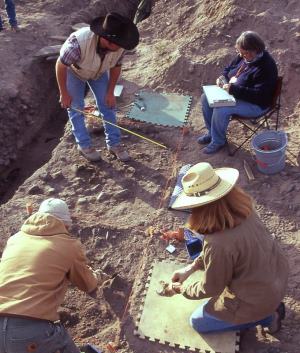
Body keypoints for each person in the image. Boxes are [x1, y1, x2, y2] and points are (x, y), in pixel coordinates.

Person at [168, 162, 288, 334]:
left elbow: (210, 288)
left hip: (258, 298)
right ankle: (269, 308)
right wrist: (191, 268)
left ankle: (267, 317)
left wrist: (181, 289)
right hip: (278, 276)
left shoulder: (217, 243)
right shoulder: (244, 209)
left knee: (197, 322)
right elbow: (224, 253)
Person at [0, 198, 104, 353]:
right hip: (31, 331)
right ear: (65, 224)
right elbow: (87, 284)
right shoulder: (68, 245)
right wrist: (98, 276)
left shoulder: (15, 239)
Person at [56, 13, 139, 162]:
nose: (121, 47)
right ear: (107, 40)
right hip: (74, 71)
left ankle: (114, 144)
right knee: (76, 107)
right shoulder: (78, 44)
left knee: (108, 105)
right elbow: (60, 66)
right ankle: (84, 145)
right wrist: (64, 93)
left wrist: (110, 92)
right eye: (118, 43)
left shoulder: (118, 48)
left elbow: (116, 67)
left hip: (99, 72)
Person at [198, 31, 278, 154]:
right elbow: (228, 69)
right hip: (234, 95)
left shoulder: (266, 66)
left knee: (221, 108)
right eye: (239, 52)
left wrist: (233, 90)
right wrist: (223, 78)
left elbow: (260, 96)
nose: (241, 55)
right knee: (205, 98)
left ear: (254, 50)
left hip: (256, 104)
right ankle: (212, 133)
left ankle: (218, 141)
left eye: (244, 53)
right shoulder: (243, 56)